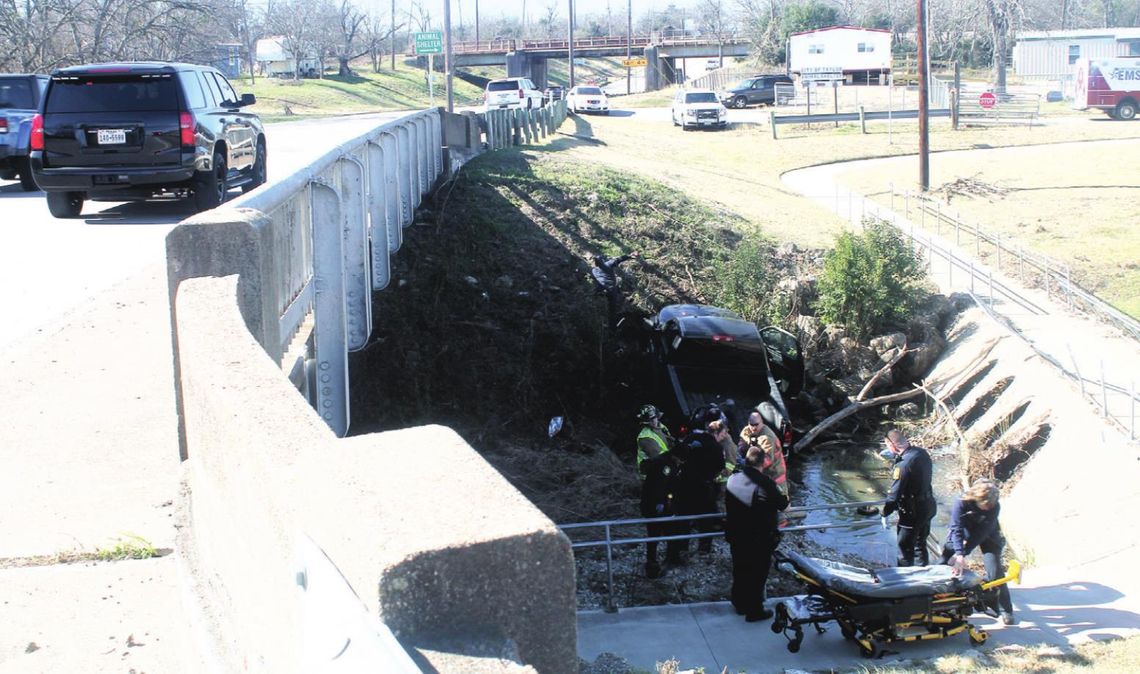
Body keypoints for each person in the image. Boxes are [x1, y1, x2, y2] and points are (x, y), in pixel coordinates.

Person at [725, 445, 789, 622]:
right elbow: (784, 505)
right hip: (759, 538)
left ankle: (739, 603)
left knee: (740, 569)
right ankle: (754, 610)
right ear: (764, 462)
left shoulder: (733, 478)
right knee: (757, 574)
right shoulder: (765, 483)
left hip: (736, 534)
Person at [941, 479, 1016, 625]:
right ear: (976, 498)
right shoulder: (961, 502)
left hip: (988, 534)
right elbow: (956, 528)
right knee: (943, 562)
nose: (988, 508)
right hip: (963, 531)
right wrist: (958, 552)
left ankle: (1005, 609)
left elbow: (982, 533)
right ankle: (943, 604)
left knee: (995, 573)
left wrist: (962, 554)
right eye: (985, 505)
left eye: (991, 505)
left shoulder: (995, 506)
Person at [673, 407, 728, 556]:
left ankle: (681, 548)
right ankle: (704, 549)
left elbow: (677, 454)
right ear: (716, 432)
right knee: (706, 520)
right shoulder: (716, 447)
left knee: (683, 519)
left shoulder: (690, 439)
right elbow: (720, 466)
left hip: (684, 485)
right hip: (704, 488)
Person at [635, 403, 680, 578]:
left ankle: (671, 556)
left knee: (671, 520)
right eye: (650, 420)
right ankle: (651, 562)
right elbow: (662, 457)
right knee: (654, 526)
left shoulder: (662, 428)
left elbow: (671, 444)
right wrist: (678, 456)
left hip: (668, 479)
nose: (654, 422)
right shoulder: (644, 437)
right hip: (653, 484)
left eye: (655, 418)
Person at [881, 429, 936, 566]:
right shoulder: (921, 453)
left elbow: (895, 494)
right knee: (920, 544)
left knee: (904, 549)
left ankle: (906, 580)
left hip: (912, 512)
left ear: (891, 444)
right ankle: (923, 576)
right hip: (928, 506)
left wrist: (885, 512)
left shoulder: (903, 465)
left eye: (887, 445)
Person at [737, 411, 789, 497]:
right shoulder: (747, 431)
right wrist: (741, 449)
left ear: (762, 423)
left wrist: (748, 465)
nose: (754, 427)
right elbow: (742, 442)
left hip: (775, 476)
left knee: (780, 501)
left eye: (756, 425)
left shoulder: (767, 438)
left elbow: (767, 460)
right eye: (751, 424)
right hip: (761, 476)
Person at [590, 251, 639, 327]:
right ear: (602, 261)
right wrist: (630, 255)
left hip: (602, 289)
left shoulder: (594, 271)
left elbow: (596, 281)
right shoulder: (607, 264)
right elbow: (619, 259)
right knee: (612, 309)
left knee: (612, 291)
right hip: (611, 289)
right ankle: (612, 326)